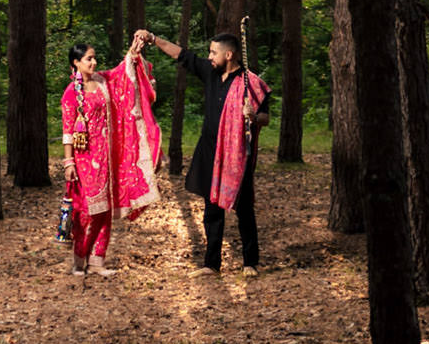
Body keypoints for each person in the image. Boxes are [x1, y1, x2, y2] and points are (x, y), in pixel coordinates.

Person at [142, 28, 270, 275]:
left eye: (214, 52)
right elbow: (183, 55)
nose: (210, 56)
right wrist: (153, 39)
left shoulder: (250, 83)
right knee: (212, 209)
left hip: (236, 155)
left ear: (229, 55)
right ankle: (211, 264)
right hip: (210, 150)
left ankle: (250, 262)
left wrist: (253, 116)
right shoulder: (211, 73)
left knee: (243, 208)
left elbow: (265, 117)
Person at [58, 32, 161, 275]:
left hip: (107, 156)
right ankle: (79, 260)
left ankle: (98, 261)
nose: (93, 63)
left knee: (105, 208)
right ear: (76, 63)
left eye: (94, 58)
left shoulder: (103, 81)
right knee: (87, 210)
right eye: (88, 59)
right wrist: (68, 162)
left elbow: (121, 74)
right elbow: (67, 130)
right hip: (84, 160)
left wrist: (134, 51)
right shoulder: (71, 92)